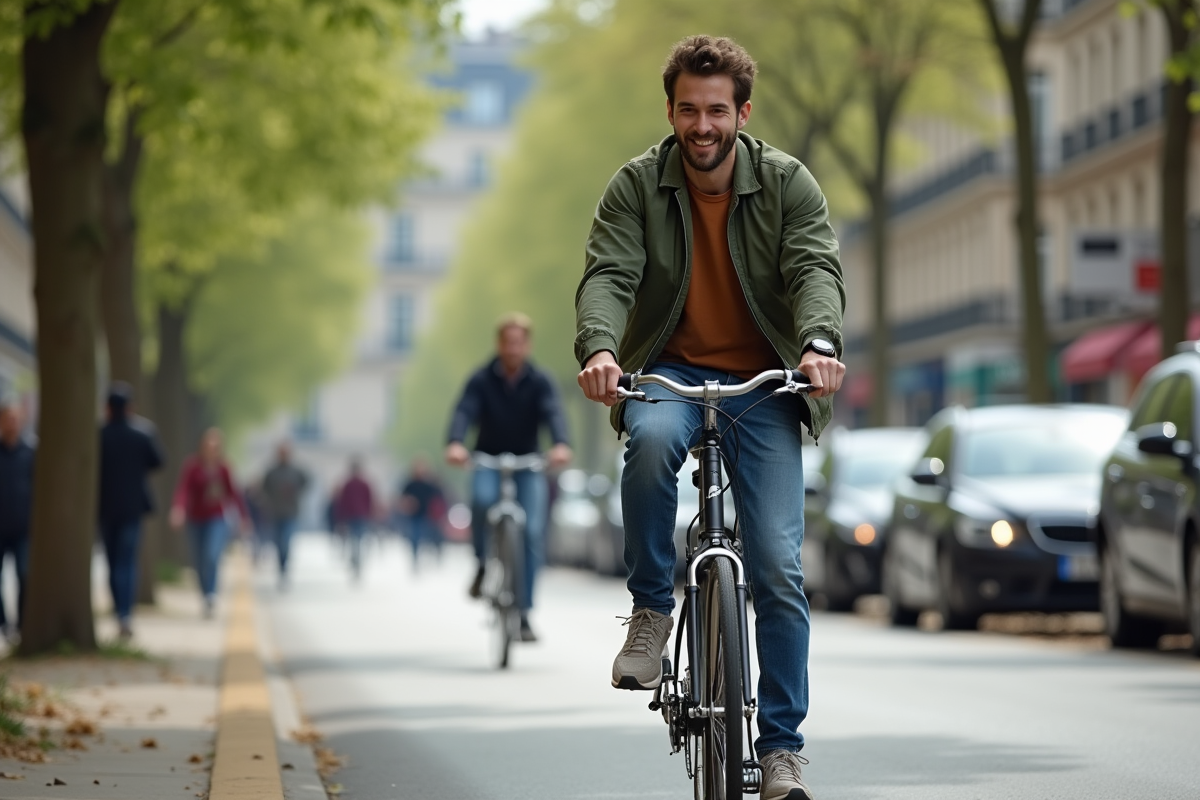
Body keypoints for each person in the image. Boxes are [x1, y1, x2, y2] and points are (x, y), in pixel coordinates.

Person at [575, 36, 845, 800]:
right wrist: (601, 349)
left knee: (779, 568)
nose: (703, 126)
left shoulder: (788, 183)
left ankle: (782, 750)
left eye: (717, 111)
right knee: (650, 443)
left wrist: (820, 343)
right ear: (670, 111)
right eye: (689, 110)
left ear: (742, 113)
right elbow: (609, 274)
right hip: (669, 370)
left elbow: (814, 267)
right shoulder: (635, 187)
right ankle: (652, 611)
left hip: (766, 382)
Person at [445, 313, 573, 643]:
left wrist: (560, 444)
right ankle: (481, 563)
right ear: (499, 344)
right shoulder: (481, 379)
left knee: (531, 532)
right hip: (487, 459)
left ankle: (525, 613)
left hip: (528, 462)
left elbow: (553, 412)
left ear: (527, 345)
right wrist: (456, 443)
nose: (513, 348)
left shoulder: (540, 380)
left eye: (519, 342)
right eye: (507, 342)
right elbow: (464, 410)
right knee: (481, 501)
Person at [97, 383, 165, 640]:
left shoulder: (99, 435)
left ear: (107, 408)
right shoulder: (143, 433)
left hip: (105, 508)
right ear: (130, 408)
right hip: (133, 508)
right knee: (127, 562)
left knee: (112, 561)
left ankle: (119, 609)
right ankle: (125, 613)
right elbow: (158, 461)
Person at [170, 428, 251, 618]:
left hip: (217, 518)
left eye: (215, 446)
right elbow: (183, 489)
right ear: (202, 446)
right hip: (195, 519)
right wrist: (178, 508)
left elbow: (234, 494)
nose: (211, 449)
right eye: (208, 445)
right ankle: (205, 593)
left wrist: (244, 517)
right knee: (198, 560)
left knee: (212, 555)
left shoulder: (224, 468)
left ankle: (211, 594)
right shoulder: (192, 466)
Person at [0, 402, 33, 644]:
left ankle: (22, 624)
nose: (12, 423)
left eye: (15, 418)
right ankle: (4, 624)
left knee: (25, 575)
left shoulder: (32, 451)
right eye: (7, 418)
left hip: (24, 528)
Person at [260, 442, 309, 589]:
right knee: (278, 543)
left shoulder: (296, 472)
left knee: (286, 542)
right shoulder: (272, 472)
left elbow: (306, 483)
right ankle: (281, 568)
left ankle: (285, 569)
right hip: (275, 513)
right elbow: (264, 489)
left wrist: (296, 494)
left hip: (291, 513)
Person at [396, 457, 446, 572]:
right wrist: (408, 503)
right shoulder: (410, 484)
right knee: (415, 538)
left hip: (427, 516)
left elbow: (438, 499)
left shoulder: (429, 485)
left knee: (430, 538)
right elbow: (402, 498)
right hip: (414, 516)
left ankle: (432, 556)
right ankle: (415, 559)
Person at [334, 456, 374, 581]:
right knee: (358, 539)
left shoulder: (348, 484)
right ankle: (357, 560)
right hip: (360, 515)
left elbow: (342, 502)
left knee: (354, 539)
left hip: (353, 515)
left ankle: (356, 559)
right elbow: (369, 501)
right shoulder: (364, 484)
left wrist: (341, 516)